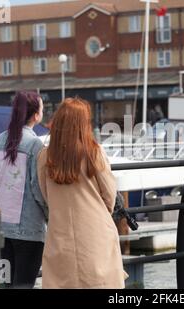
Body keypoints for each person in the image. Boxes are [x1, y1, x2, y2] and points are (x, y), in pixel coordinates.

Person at [37, 97, 127, 288]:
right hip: (95, 231)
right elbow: (109, 194)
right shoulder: (94, 152)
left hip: (60, 233)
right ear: (83, 124)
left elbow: (45, 195)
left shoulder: (45, 156)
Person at [0, 91, 48, 288]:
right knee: (24, 284)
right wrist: (50, 215)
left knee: (5, 284)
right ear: (36, 115)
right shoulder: (35, 145)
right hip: (29, 230)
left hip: (2, 228)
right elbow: (38, 190)